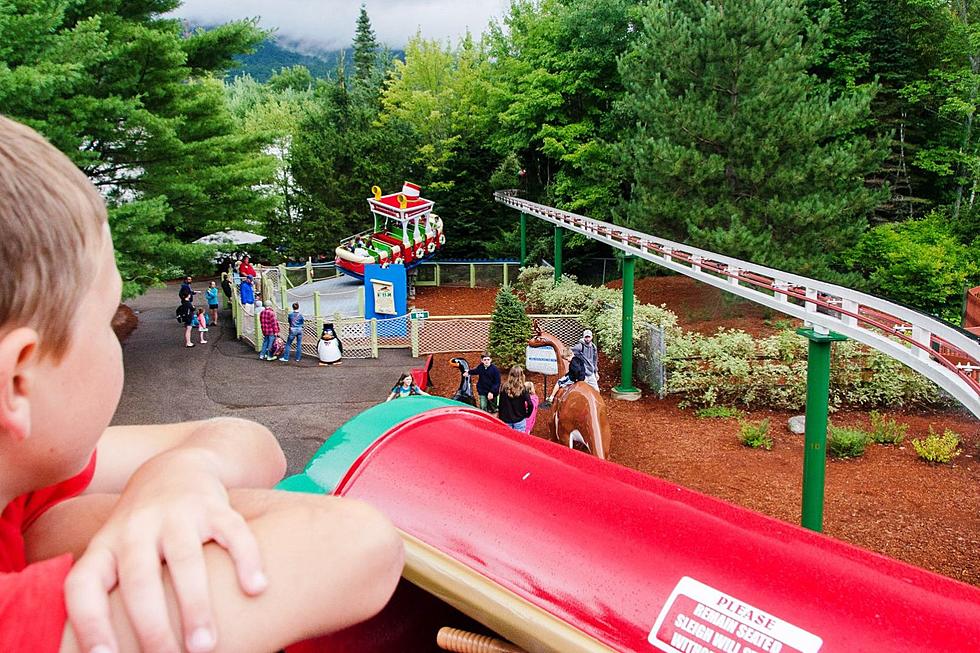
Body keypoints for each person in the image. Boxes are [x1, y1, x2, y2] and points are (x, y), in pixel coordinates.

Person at [0, 115, 402, 653]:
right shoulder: (27, 624)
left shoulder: (20, 488)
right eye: (108, 320)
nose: (121, 331)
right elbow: (362, 545)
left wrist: (175, 475)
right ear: (18, 382)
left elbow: (252, 444)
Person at [496, 366, 534, 432]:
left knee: (507, 440)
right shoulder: (523, 389)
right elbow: (530, 404)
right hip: (519, 419)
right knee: (519, 440)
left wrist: (501, 416)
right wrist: (527, 414)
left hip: (506, 419)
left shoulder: (503, 387)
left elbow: (501, 403)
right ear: (521, 375)